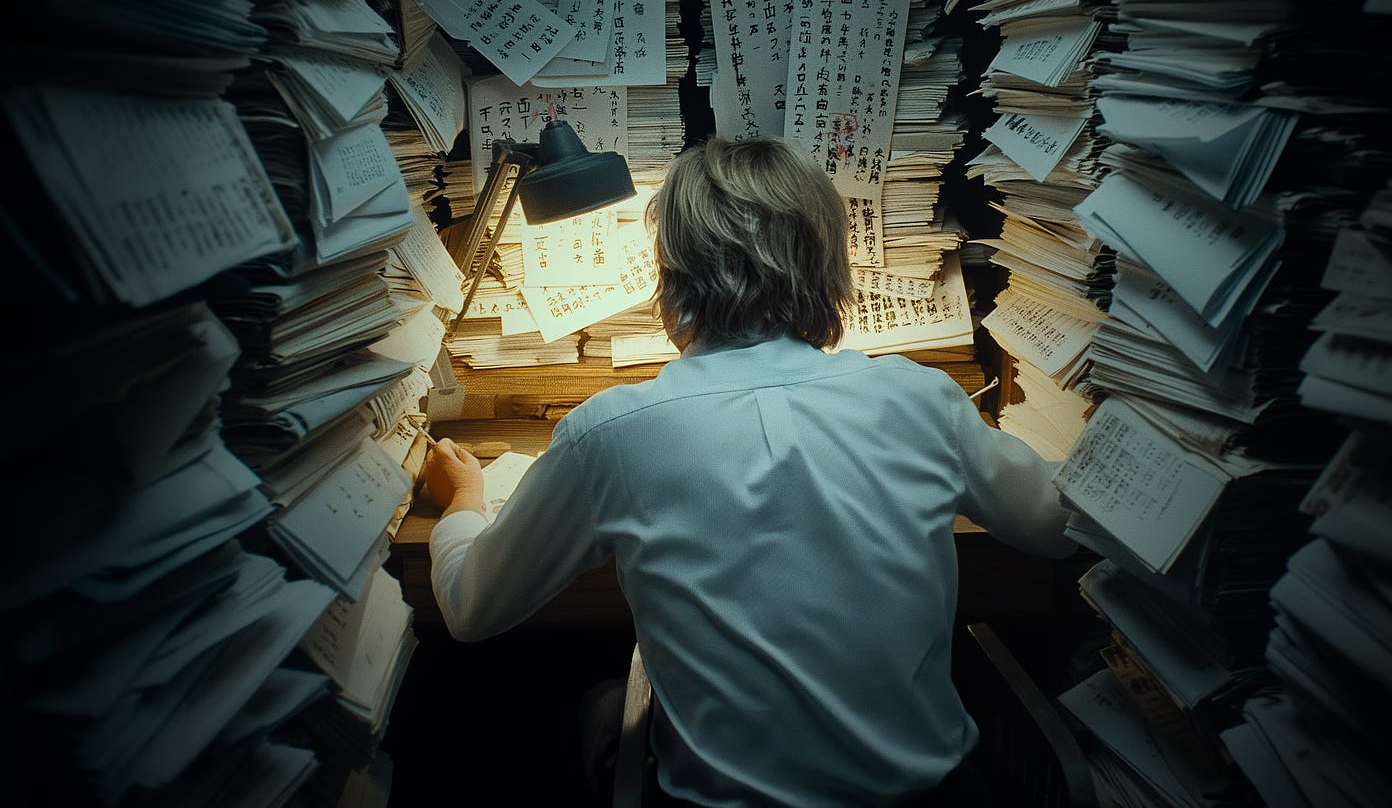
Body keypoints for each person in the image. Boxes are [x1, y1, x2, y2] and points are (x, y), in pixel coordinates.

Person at [425, 136, 1075, 807]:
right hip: (936, 797)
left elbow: (473, 609)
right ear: (828, 267)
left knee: (599, 702)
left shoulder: (614, 434)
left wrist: (466, 501)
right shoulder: (921, 400)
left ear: (672, 274)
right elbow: (1059, 523)